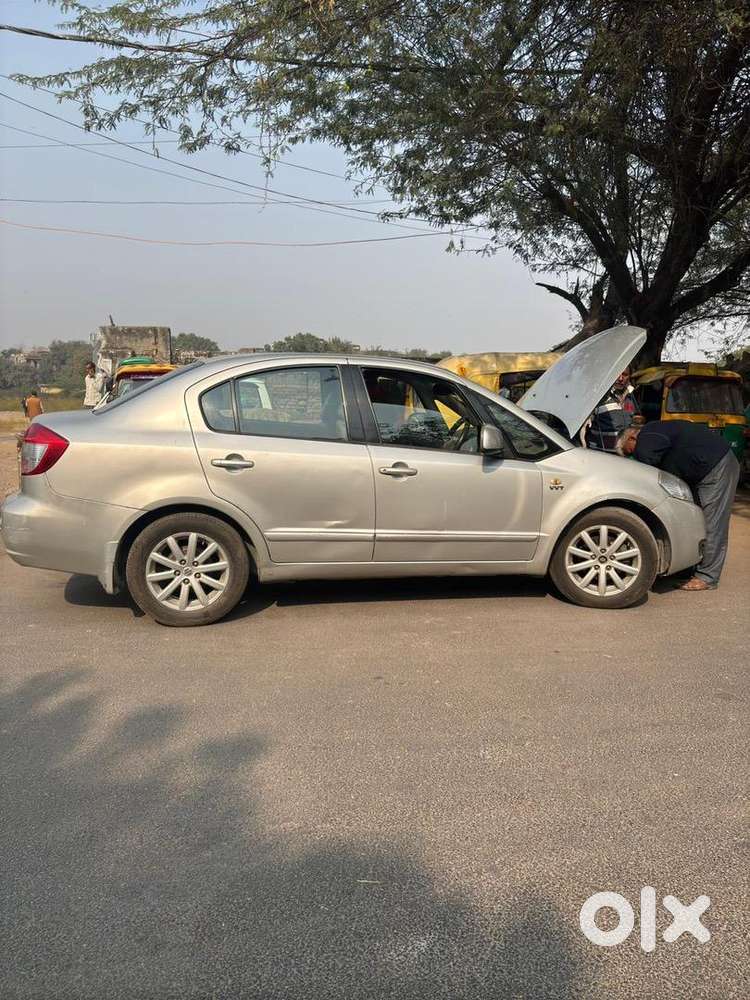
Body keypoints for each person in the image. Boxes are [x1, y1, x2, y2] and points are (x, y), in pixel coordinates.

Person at [619, 421, 740, 590]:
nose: (631, 456)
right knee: (694, 520)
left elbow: (645, 465)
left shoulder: (648, 435)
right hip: (705, 468)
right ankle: (690, 567)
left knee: (712, 523)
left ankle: (707, 576)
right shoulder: (657, 434)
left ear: (632, 437)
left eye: (628, 451)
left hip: (717, 467)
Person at [587, 367, 638, 451]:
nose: (620, 378)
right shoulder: (598, 397)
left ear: (629, 377)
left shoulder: (630, 397)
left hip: (622, 455)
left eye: (625, 375)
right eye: (617, 374)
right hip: (600, 453)